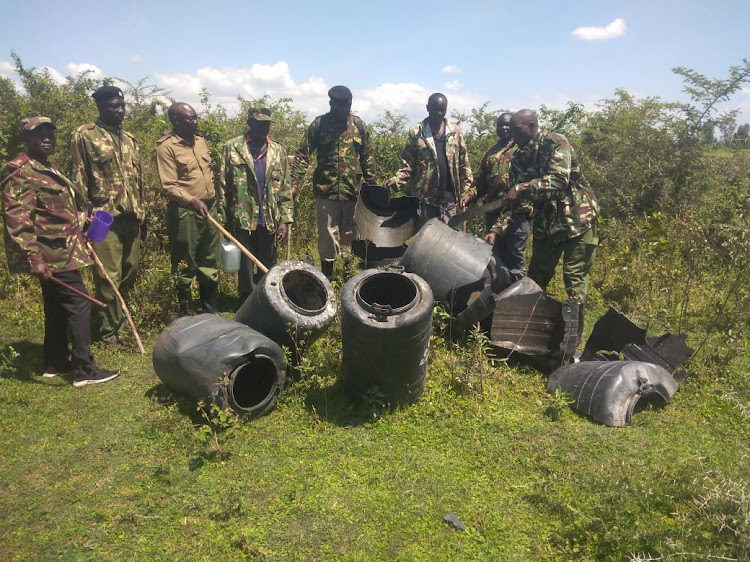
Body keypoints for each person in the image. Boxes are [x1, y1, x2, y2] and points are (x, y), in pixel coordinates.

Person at [1, 117, 119, 387]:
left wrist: (82, 218)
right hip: (49, 253)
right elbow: (18, 221)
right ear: (26, 139)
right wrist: (34, 258)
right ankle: (84, 370)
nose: (47, 139)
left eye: (50, 134)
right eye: (39, 135)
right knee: (80, 304)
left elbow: (53, 211)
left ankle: (54, 363)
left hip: (62, 249)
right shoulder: (21, 171)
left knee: (55, 307)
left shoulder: (47, 167)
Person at [502, 109, 600, 336]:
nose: (512, 136)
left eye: (517, 131)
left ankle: (570, 343)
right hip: (547, 226)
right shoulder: (518, 159)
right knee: (536, 279)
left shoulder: (555, 143)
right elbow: (515, 203)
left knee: (574, 283)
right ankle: (529, 334)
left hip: (577, 221)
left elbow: (558, 180)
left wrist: (522, 189)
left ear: (532, 127)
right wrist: (498, 229)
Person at [70, 85, 144, 348]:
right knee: (108, 276)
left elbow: (138, 181)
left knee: (130, 270)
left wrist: (142, 213)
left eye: (122, 105)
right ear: (100, 107)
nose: (120, 110)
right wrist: (84, 213)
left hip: (131, 215)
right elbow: (78, 177)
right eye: (114, 106)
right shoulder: (85, 136)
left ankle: (119, 322)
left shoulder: (130, 139)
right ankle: (108, 333)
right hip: (103, 217)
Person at [292, 85, 376, 279]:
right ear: (332, 104)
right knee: (327, 237)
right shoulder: (319, 125)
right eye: (342, 105)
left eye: (349, 105)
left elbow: (368, 158)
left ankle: (350, 276)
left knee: (350, 235)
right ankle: (328, 278)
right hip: (326, 190)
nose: (346, 109)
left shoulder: (359, 126)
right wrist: (295, 182)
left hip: (352, 192)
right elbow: (303, 154)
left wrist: (373, 187)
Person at [156, 102, 222, 315]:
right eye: (189, 119)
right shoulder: (166, 147)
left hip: (209, 209)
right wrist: (192, 201)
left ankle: (210, 309)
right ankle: (185, 311)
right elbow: (169, 186)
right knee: (186, 260)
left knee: (210, 258)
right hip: (185, 211)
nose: (194, 122)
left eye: (195, 117)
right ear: (175, 121)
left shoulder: (201, 141)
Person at [221, 108, 294, 298]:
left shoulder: (278, 151)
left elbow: (285, 187)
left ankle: (266, 299)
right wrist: (223, 218)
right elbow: (223, 184)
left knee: (268, 263)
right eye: (259, 124)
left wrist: (285, 220)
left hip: (269, 217)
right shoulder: (233, 147)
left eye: (267, 124)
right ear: (250, 124)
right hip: (242, 216)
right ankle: (246, 301)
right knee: (245, 264)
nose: (264, 128)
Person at [460, 113, 531, 286]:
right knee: (495, 259)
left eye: (507, 125)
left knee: (515, 259)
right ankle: (498, 300)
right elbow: (481, 183)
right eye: (500, 125)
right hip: (493, 213)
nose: (504, 128)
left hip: (517, 213)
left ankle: (517, 301)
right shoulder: (491, 153)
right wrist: (469, 195)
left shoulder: (523, 150)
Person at [385, 93, 472, 223]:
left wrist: (466, 192)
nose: (439, 113)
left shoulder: (455, 131)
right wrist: (397, 180)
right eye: (435, 109)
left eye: (443, 110)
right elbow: (408, 163)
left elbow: (464, 164)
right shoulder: (416, 132)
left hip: (448, 201)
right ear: (427, 108)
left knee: (448, 240)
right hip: (425, 199)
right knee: (426, 239)